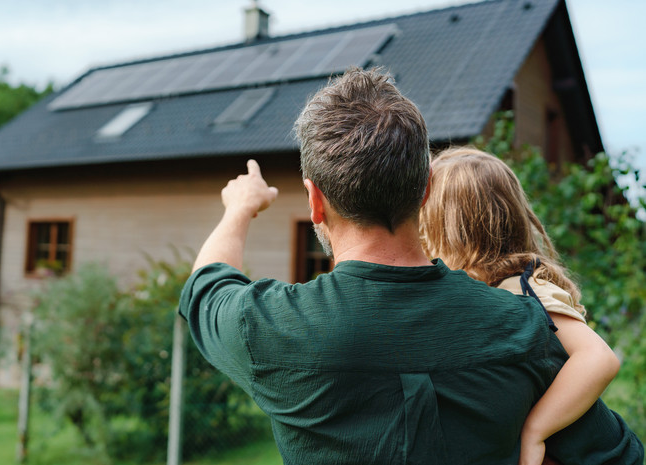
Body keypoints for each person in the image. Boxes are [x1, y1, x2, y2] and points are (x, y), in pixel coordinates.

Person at [178, 67, 643, 464]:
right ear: (424, 192)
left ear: (315, 201)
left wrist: (240, 207)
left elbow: (206, 283)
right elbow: (620, 455)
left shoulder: (268, 326)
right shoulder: (522, 326)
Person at [419, 147, 625, 465]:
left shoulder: (526, 290)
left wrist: (535, 430)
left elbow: (599, 359)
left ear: (451, 231)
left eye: (425, 222)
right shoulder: (484, 292)